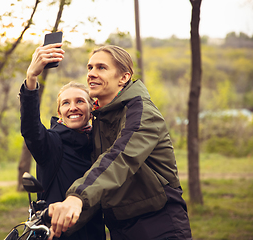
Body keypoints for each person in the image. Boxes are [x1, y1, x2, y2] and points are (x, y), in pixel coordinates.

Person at [48, 45, 192, 240]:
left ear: (123, 78)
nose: (91, 74)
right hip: (120, 228)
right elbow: (102, 184)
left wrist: (76, 196)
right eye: (90, 68)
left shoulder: (141, 111)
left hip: (159, 224)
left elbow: (120, 159)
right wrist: (54, 227)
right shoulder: (101, 119)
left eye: (101, 68)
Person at [19, 42, 105, 240]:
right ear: (60, 114)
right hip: (56, 234)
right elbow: (31, 129)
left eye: (80, 101)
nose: (73, 107)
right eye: (66, 103)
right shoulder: (51, 144)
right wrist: (31, 77)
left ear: (91, 109)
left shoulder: (101, 144)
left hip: (94, 233)